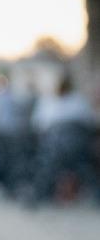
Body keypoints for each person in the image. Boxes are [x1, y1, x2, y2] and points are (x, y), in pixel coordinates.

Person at [31, 70, 98, 202]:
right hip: (77, 151)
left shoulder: (49, 103)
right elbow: (91, 123)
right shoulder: (80, 101)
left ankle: (41, 196)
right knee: (87, 168)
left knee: (45, 166)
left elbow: (38, 126)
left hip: (57, 151)